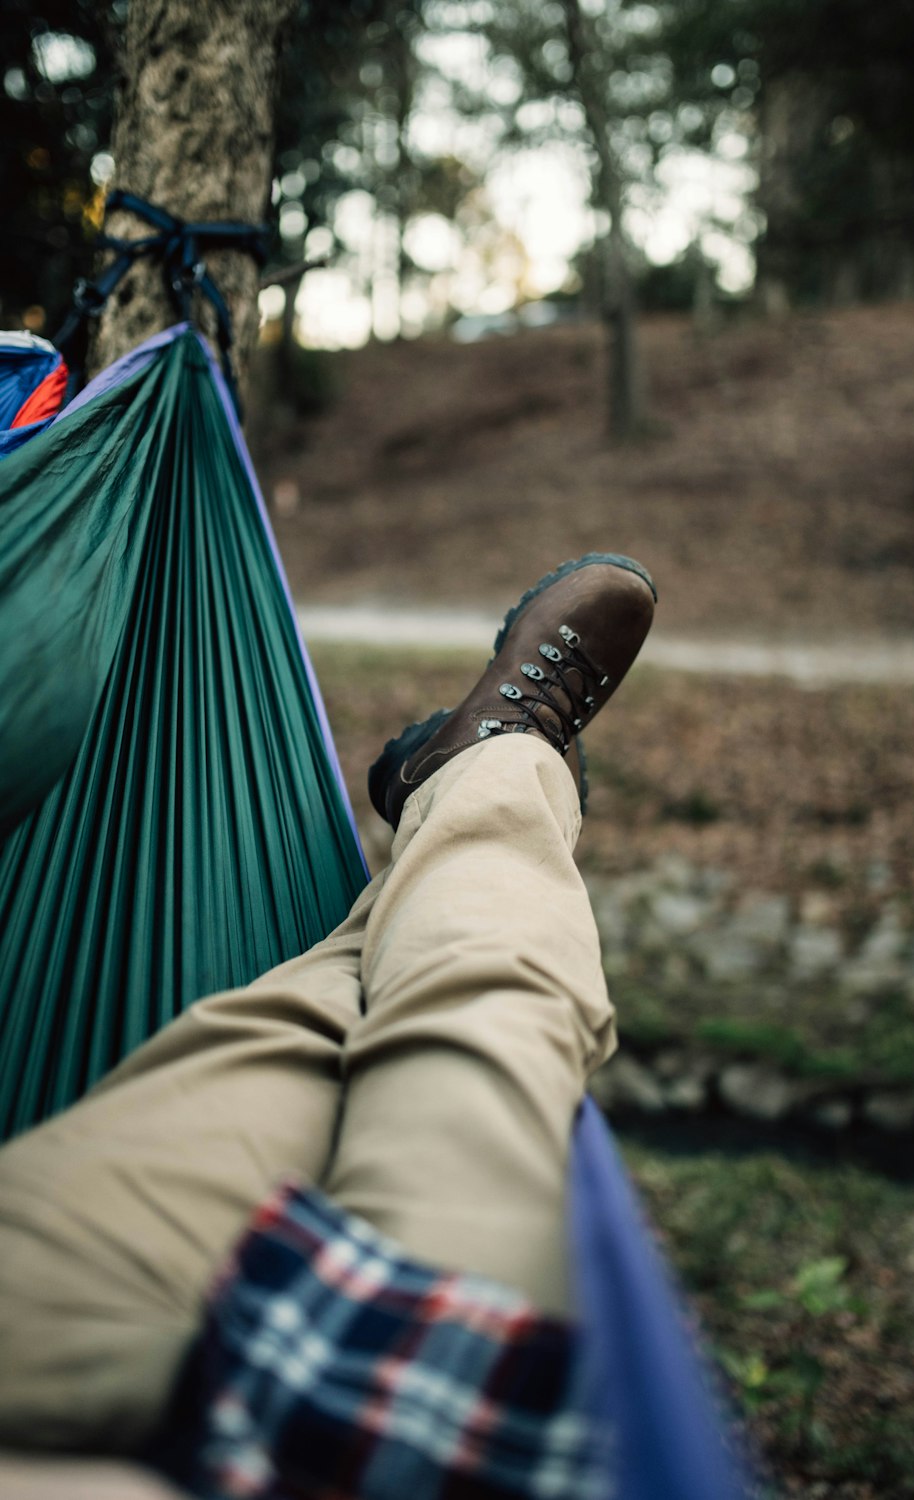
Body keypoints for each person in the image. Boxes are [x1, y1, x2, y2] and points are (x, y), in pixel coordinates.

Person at [0, 554, 657, 1499]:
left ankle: (489, 772)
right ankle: (498, 766)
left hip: (27, 1331)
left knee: (304, 1017)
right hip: (405, 1425)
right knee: (477, 1004)